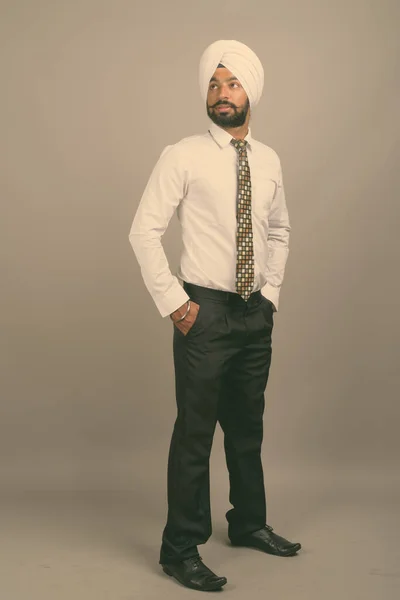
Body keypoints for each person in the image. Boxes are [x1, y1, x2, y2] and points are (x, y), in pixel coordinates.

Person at [128, 39, 301, 592]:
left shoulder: (269, 159)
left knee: (247, 430)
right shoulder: (182, 154)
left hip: (255, 315)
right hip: (204, 314)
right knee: (195, 435)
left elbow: (279, 230)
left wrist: (271, 292)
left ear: (251, 91)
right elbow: (143, 231)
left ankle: (248, 523)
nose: (221, 93)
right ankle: (180, 549)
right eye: (213, 83)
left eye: (231, 83)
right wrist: (177, 305)